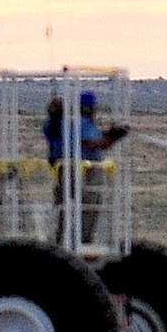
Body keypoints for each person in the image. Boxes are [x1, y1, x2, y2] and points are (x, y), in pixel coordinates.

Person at [42, 90, 128, 242]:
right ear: (88, 108)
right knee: (89, 205)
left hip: (67, 169)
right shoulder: (79, 123)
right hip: (82, 171)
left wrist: (109, 135)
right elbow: (92, 144)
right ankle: (82, 240)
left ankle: (62, 238)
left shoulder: (65, 123)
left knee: (65, 207)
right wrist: (113, 136)